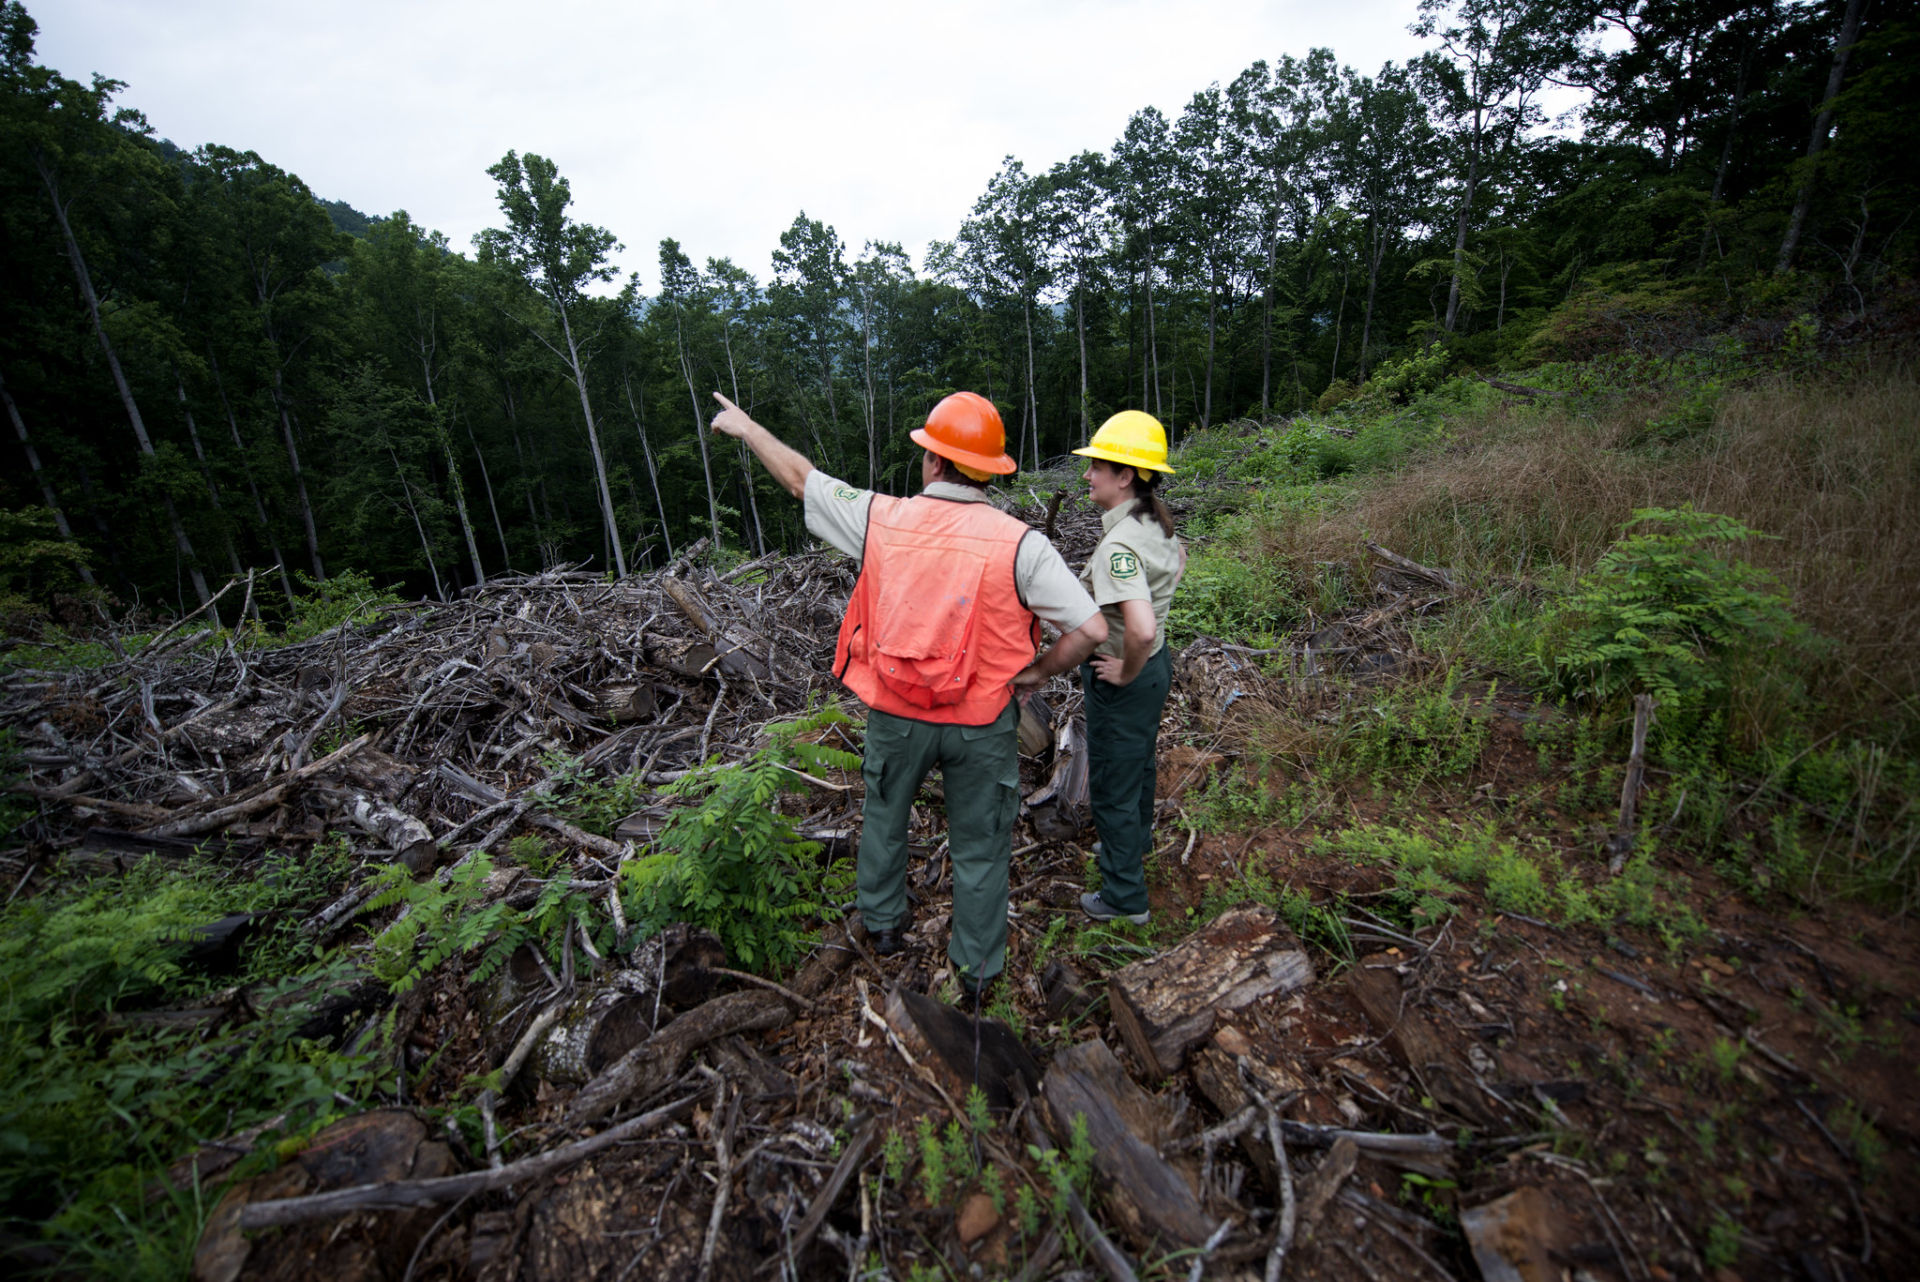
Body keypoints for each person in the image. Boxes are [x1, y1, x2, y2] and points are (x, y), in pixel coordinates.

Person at [709, 390, 1105, 994]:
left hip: (895, 715)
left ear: (934, 463)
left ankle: (885, 924)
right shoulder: (1021, 543)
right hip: (981, 725)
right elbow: (1091, 630)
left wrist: (749, 428)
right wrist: (1039, 673)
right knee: (979, 845)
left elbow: (801, 481)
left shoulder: (880, 518)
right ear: (989, 470)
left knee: (885, 818)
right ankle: (975, 974)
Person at [1071, 411, 1184, 925]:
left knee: (1113, 783)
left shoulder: (1119, 543)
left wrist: (1126, 669)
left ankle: (1123, 898)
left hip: (1130, 673)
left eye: (1098, 466)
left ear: (1126, 476)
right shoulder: (1154, 522)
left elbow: (1136, 629)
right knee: (1138, 762)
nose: (1088, 475)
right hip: (1155, 667)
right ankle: (1132, 848)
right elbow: (1176, 567)